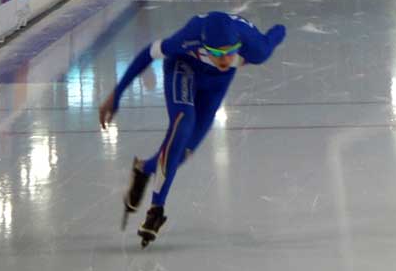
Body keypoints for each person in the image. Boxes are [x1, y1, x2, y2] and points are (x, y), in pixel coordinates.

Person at [98, 12, 287, 247]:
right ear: (205, 46)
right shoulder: (188, 38)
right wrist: (116, 94)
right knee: (183, 124)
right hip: (183, 68)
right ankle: (157, 209)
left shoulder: (255, 49)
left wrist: (280, 29)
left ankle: (144, 169)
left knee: (182, 152)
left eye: (230, 51)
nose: (225, 59)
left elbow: (276, 34)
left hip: (215, 87)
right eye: (217, 53)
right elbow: (149, 53)